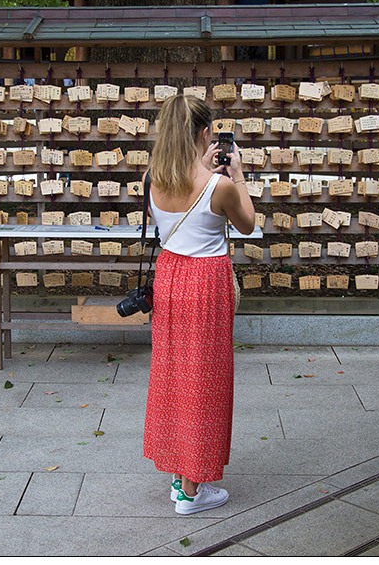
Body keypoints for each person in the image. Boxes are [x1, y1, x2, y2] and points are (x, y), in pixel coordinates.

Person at [142, 94, 256, 515]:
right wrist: (237, 174)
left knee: (174, 375)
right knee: (204, 380)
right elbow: (248, 223)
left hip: (170, 277)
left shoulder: (151, 177)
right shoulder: (220, 185)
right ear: (206, 134)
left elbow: (163, 222)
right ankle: (193, 489)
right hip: (205, 281)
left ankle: (178, 476)